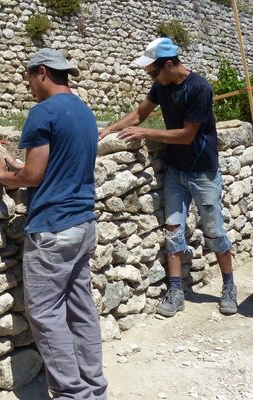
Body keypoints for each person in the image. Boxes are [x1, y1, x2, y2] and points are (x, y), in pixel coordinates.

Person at [0, 48, 108, 400]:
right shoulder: (83, 111)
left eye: (28, 78)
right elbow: (60, 165)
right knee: (81, 308)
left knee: (46, 313)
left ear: (42, 72)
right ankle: (93, 389)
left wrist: (2, 174)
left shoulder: (43, 113)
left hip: (53, 228)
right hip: (83, 224)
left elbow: (34, 177)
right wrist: (24, 167)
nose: (29, 86)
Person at [99, 37, 237, 318]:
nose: (151, 78)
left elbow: (187, 135)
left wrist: (147, 133)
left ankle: (229, 286)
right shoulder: (161, 85)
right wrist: (109, 130)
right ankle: (175, 292)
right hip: (175, 171)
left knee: (214, 231)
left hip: (203, 172)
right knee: (173, 230)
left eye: (153, 72)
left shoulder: (199, 88)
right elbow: (139, 114)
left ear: (170, 64)